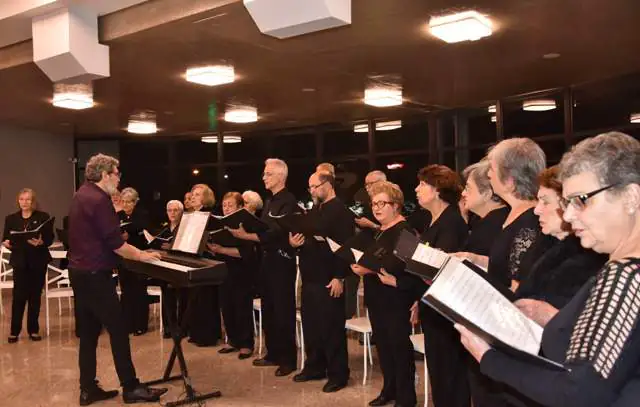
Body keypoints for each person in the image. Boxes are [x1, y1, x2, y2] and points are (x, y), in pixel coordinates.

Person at [457, 132, 640, 407]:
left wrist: (489, 358)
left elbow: (578, 393)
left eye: (582, 200)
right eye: (567, 203)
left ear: (630, 197)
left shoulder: (625, 275)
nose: (567, 216)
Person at [67, 153, 166, 405]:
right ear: (104, 174)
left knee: (89, 334)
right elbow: (117, 244)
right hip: (95, 275)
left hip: (79, 273)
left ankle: (87, 389)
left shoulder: (81, 194)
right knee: (119, 329)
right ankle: (131, 387)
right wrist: (144, 256)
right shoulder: (99, 200)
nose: (118, 178)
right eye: (116, 173)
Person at [392, 165, 470, 407]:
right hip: (431, 305)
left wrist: (416, 258)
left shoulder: (451, 221)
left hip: (445, 310)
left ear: (437, 189)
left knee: (448, 374)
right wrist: (418, 299)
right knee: (438, 372)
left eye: (422, 185)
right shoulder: (433, 220)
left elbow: (445, 266)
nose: (416, 189)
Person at [229, 158, 299, 376]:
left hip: (282, 261)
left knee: (282, 311)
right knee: (268, 309)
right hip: (267, 261)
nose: (264, 177)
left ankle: (288, 359)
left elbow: (278, 232)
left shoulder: (289, 200)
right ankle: (273, 353)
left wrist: (247, 235)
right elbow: (266, 228)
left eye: (268, 174)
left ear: (280, 176)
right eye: (264, 173)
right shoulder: (269, 201)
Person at [351, 181, 417, 407]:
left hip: (396, 299)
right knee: (385, 349)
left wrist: (368, 268)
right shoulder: (379, 231)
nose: (376, 208)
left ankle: (406, 397)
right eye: (374, 204)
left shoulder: (405, 230)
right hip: (377, 297)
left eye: (382, 203)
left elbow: (401, 264)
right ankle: (389, 389)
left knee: (399, 350)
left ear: (396, 205)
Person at [458, 138, 553, 291]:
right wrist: (474, 259)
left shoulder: (531, 222)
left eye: (492, 169)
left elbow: (518, 284)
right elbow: (504, 266)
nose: (488, 174)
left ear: (509, 181)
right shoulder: (512, 213)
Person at [289, 171, 354, 393]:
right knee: (312, 326)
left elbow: (346, 248)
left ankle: (338, 374)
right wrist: (295, 243)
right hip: (310, 277)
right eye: (310, 188)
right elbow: (309, 240)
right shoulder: (314, 211)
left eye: (315, 186)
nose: (312, 191)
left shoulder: (342, 212)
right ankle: (315, 366)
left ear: (328, 184)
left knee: (331, 329)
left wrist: (339, 277)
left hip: (329, 277)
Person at [208, 192, 258, 360]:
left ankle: (246, 344)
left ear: (239, 207)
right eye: (224, 205)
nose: (226, 208)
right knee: (227, 306)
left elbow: (245, 253)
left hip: (241, 271)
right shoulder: (220, 224)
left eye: (230, 205)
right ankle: (232, 340)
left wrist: (221, 250)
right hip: (224, 270)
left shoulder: (245, 226)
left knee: (241, 307)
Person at [2, 188, 53, 343]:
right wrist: (7, 243)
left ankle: (33, 330)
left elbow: (49, 238)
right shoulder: (11, 218)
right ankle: (14, 331)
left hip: (37, 261)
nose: (24, 202)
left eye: (28, 199)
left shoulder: (43, 217)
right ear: (18, 201)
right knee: (18, 297)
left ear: (33, 201)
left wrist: (41, 242)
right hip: (20, 261)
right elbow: (5, 238)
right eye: (22, 199)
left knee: (35, 297)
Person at [187, 183, 222, 347]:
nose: (193, 197)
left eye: (198, 194)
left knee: (206, 298)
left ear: (206, 197)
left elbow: (212, 239)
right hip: (194, 259)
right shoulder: (191, 215)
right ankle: (196, 332)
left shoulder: (210, 216)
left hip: (207, 260)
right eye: (193, 194)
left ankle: (208, 335)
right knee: (195, 297)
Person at [117, 187, 150, 336]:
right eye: (123, 201)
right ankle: (127, 323)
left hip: (139, 256)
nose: (125, 205)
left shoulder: (142, 214)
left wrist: (129, 236)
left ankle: (140, 325)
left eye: (128, 202)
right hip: (123, 257)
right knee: (126, 291)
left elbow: (144, 234)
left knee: (139, 291)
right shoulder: (118, 215)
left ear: (135, 202)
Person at [157, 200, 186, 339]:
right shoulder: (164, 229)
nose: (172, 213)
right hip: (165, 267)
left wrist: (172, 247)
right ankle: (168, 327)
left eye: (176, 210)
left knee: (180, 298)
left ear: (182, 212)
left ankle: (180, 327)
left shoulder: (184, 228)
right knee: (167, 297)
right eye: (170, 210)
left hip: (179, 266)